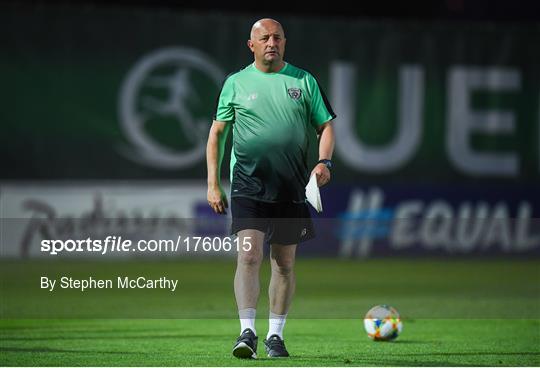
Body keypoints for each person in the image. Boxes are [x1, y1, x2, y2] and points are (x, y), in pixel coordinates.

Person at [206, 18, 336, 359]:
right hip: (248, 186)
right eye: (264, 37)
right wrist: (212, 183)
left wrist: (324, 163)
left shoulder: (303, 80)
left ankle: (275, 336)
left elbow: (326, 127)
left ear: (284, 42)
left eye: (277, 37)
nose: (271, 42)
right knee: (248, 255)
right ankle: (247, 332)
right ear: (251, 44)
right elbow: (217, 134)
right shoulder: (235, 83)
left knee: (284, 263)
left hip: (291, 188)